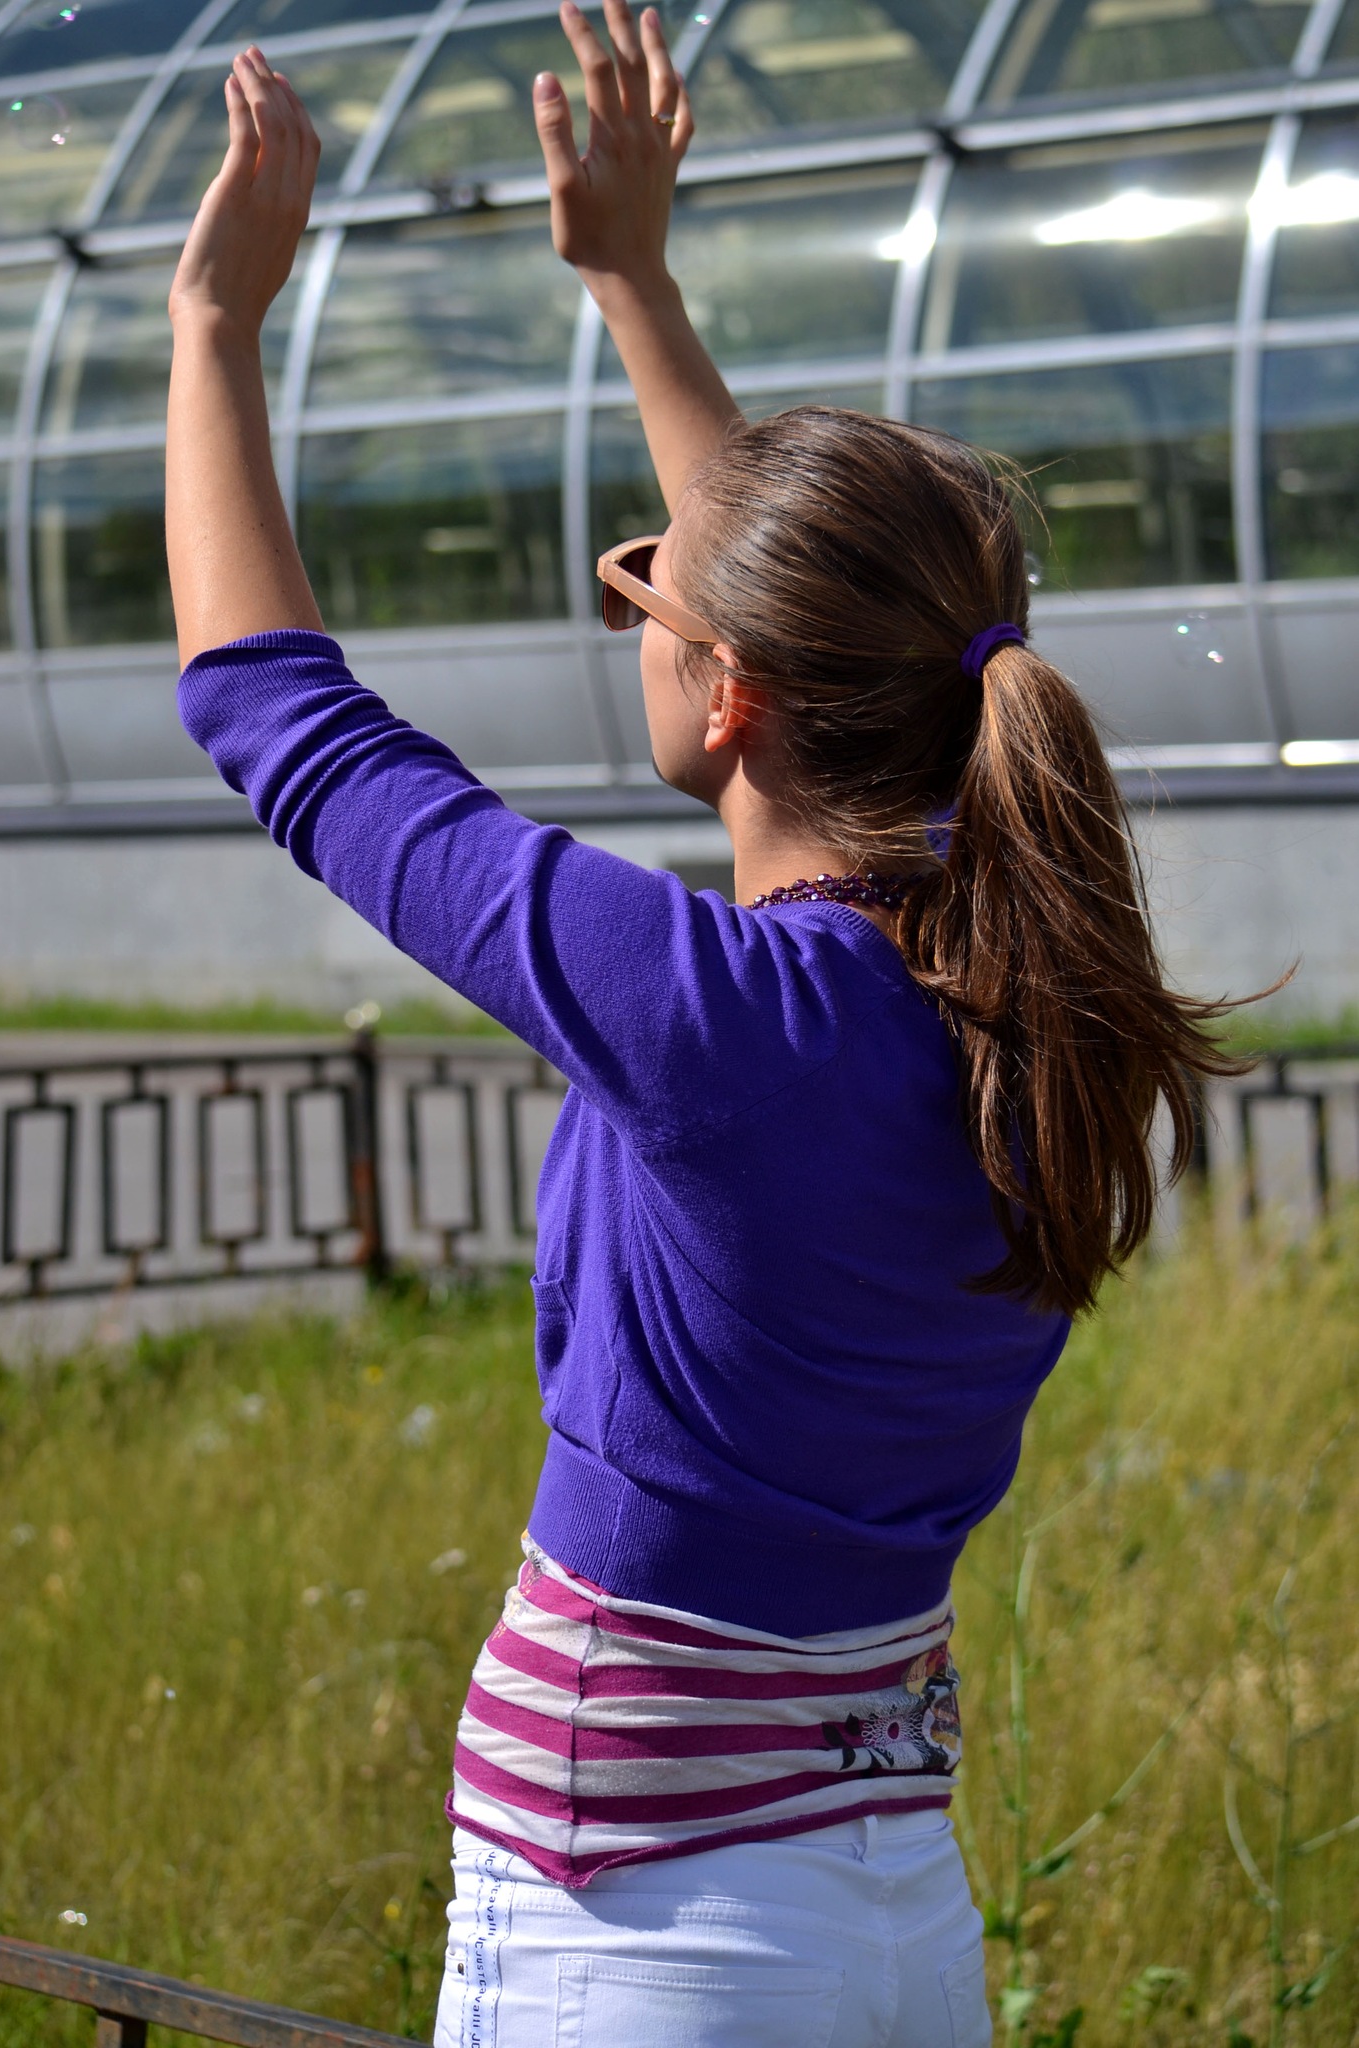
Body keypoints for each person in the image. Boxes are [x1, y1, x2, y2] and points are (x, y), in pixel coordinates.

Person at [165, 7, 1242, 2042]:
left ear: (730, 691)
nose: (636, 600)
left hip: (640, 1928)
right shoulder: (1020, 996)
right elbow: (816, 624)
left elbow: (273, 713)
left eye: (644, 591)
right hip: (887, 1909)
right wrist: (630, 283)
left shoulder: (718, 1018)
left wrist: (213, 324)